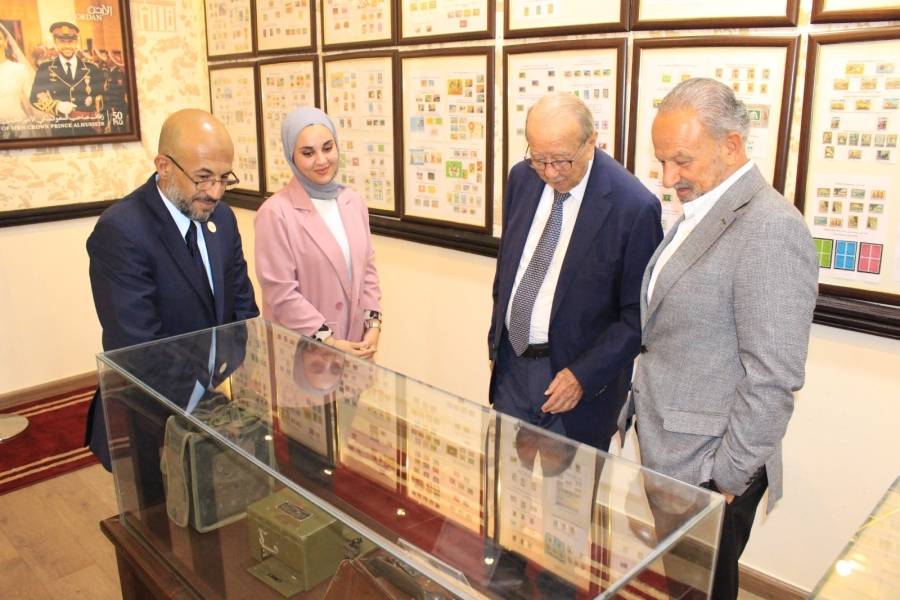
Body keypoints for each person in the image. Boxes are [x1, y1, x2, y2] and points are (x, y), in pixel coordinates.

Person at [617, 78, 818, 599]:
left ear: (731, 145)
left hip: (708, 466)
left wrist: (726, 478)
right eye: (662, 161)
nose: (668, 178)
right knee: (685, 587)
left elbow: (773, 377)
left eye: (681, 161)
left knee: (701, 593)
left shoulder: (770, 228)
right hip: (673, 451)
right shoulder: (703, 209)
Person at [488, 92, 663, 451]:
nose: (550, 172)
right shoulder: (522, 178)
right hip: (512, 371)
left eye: (562, 160)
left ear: (591, 142)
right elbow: (508, 270)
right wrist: (496, 344)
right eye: (540, 159)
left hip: (575, 388)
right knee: (505, 481)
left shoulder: (633, 207)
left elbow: (638, 315)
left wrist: (582, 376)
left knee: (567, 488)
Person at [86, 108, 259, 469]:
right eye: (203, 178)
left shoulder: (223, 219)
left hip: (218, 404)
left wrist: (228, 388)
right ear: (164, 166)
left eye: (224, 178)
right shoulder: (122, 230)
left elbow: (243, 310)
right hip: (149, 417)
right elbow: (137, 344)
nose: (215, 192)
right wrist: (203, 405)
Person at [255, 106, 382, 358]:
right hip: (304, 349)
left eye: (327, 148)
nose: (322, 160)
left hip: (356, 344)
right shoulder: (275, 213)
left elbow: (367, 269)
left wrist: (373, 325)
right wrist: (329, 341)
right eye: (308, 153)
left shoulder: (353, 201)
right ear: (291, 156)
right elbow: (281, 293)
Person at [29, 22, 106, 121]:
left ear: (76, 42)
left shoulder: (92, 68)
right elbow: (34, 98)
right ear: (55, 42)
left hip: (88, 125)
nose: (67, 46)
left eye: (71, 42)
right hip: (61, 125)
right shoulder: (45, 68)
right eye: (62, 42)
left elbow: (103, 98)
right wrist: (57, 106)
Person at [0, 23, 39, 126]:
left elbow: (32, 100)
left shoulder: (19, 69)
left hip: (18, 126)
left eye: (0, 38)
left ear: (6, 42)